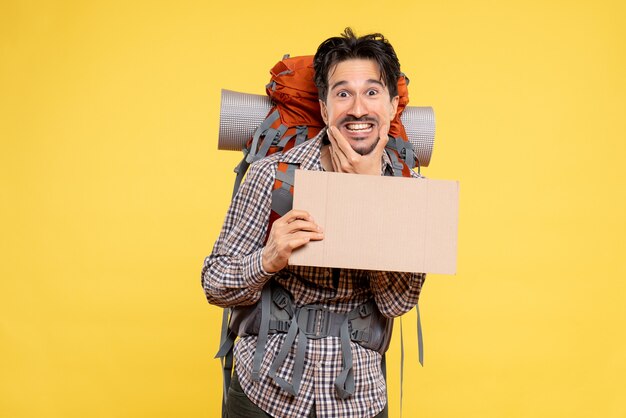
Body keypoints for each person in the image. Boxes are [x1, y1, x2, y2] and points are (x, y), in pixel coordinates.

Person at [202, 28, 426, 418]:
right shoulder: (272, 175)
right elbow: (214, 283)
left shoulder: (412, 191)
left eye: (372, 92)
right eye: (343, 93)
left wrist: (371, 197)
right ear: (325, 109)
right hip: (264, 391)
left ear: (391, 106)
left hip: (357, 399)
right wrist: (267, 259)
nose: (358, 109)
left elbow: (396, 302)